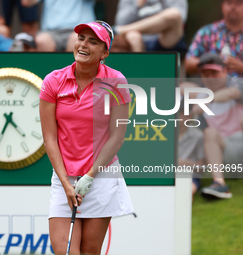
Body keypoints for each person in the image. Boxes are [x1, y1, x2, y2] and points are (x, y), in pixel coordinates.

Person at [39, 21, 134, 254]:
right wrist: (66, 183)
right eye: (81, 38)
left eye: (93, 41)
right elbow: (50, 138)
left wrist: (90, 177)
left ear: (105, 53)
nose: (83, 44)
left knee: (90, 251)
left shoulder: (116, 81)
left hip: (100, 177)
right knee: (65, 250)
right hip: (64, 177)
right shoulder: (53, 80)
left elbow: (117, 137)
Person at [193, 52, 243, 199]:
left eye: (214, 73)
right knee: (209, 133)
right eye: (206, 74)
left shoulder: (236, 83)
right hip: (224, 152)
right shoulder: (200, 97)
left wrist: (208, 100)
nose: (210, 78)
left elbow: (232, 93)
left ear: (225, 71)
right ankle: (219, 184)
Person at [185, 0, 243, 77]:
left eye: (238, 3)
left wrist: (240, 67)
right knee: (184, 87)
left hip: (240, 87)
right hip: (210, 86)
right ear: (222, 6)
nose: (233, 7)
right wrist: (209, 63)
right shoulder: (206, 32)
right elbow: (188, 63)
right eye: (229, 3)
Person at [112, 0, 188, 53]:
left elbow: (180, 17)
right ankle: (139, 73)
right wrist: (137, 5)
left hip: (164, 38)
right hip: (137, 40)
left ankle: (123, 30)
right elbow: (120, 22)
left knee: (174, 15)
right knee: (133, 36)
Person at [21, 0, 96, 52]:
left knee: (77, 39)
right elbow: (26, 2)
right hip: (51, 31)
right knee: (42, 40)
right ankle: (47, 74)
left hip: (79, 29)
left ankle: (72, 75)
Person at [178, 98, 205, 197]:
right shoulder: (162, 134)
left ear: (189, 115)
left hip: (190, 177)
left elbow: (202, 168)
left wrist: (185, 163)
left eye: (181, 113)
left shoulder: (198, 136)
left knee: (188, 191)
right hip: (167, 175)